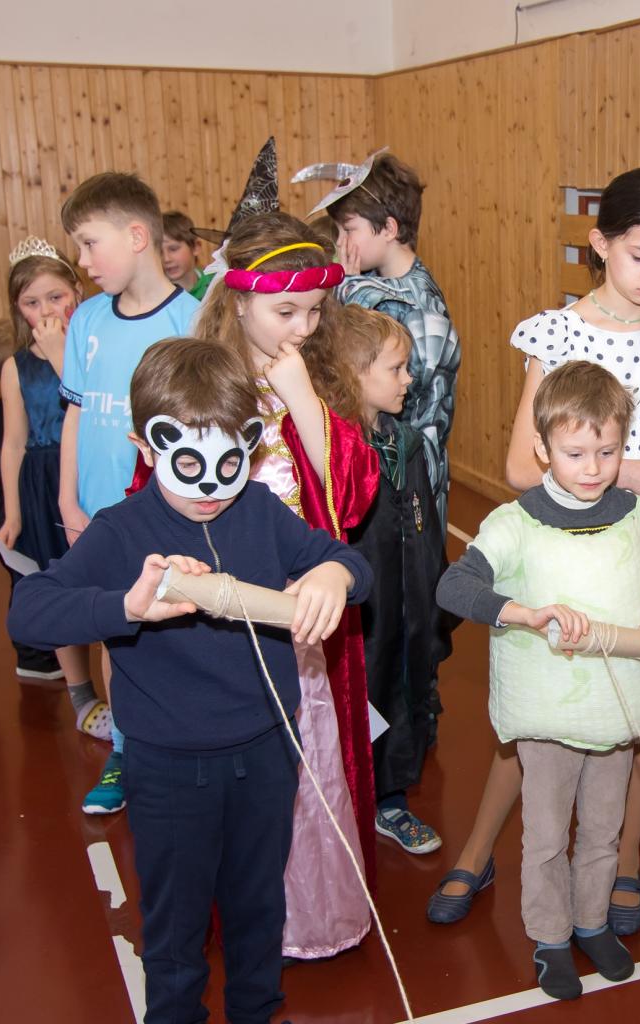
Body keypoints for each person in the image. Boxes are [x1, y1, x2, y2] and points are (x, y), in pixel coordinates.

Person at [428, 167, 640, 933]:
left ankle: (623, 863)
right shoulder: (557, 333)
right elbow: (521, 468)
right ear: (600, 243)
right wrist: (629, 470)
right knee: (543, 717)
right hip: (570, 545)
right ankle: (479, 849)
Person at [7, 337, 372, 1024]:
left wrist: (333, 572)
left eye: (229, 464)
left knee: (258, 905)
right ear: (148, 448)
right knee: (175, 924)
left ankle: (257, 1009)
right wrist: (124, 606)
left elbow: (351, 563)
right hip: (169, 768)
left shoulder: (259, 511)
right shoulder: (121, 532)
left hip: (267, 752)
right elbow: (29, 610)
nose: (209, 488)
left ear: (251, 446)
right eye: (189, 466)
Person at [436, 360, 640, 1000]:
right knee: (547, 836)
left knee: (604, 830)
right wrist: (522, 613)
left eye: (607, 453)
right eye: (575, 453)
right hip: (550, 718)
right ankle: (550, 938)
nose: (592, 468)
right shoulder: (515, 522)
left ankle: (591, 922)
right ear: (542, 448)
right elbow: (454, 585)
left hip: (617, 715)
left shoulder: (639, 516)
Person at [193, 210, 379, 960]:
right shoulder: (200, 381)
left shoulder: (313, 375)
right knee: (239, 763)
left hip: (305, 610)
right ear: (238, 301)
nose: (304, 328)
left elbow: (352, 497)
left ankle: (309, 917)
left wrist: (302, 397)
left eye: (315, 311)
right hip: (221, 612)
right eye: (286, 312)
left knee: (309, 766)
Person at [59, 171, 200, 814]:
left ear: (137, 236)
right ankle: (123, 747)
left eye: (90, 244)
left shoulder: (191, 319)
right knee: (115, 633)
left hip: (165, 516)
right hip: (96, 515)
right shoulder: (88, 319)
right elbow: (76, 414)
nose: (83, 261)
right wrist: (68, 501)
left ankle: (176, 745)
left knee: (172, 634)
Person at [338, 306, 453, 853]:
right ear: (353, 372)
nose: (409, 379)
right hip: (363, 612)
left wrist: (436, 601)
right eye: (396, 369)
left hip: (410, 603)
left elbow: (426, 527)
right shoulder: (336, 452)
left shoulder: (404, 442)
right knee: (368, 696)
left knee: (403, 695)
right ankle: (363, 797)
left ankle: (390, 800)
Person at [0, 238, 112, 737]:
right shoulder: (16, 367)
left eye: (55, 297)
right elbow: (12, 444)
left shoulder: (95, 349)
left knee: (104, 583)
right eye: (32, 302)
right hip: (45, 483)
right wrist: (13, 511)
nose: (45, 310)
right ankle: (81, 695)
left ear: (77, 293)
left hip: (92, 473)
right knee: (60, 586)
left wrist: (61, 356)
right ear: (18, 309)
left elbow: (90, 407)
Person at [326, 151, 461, 536]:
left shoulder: (410, 302)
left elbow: (408, 391)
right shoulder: (385, 288)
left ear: (387, 228)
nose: (341, 243)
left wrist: (348, 289)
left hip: (409, 483)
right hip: (394, 474)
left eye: (349, 230)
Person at [0, 320, 64, 681]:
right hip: (21, 510)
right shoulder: (9, 431)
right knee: (29, 581)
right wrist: (15, 514)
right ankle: (36, 656)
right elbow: (11, 451)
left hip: (36, 504)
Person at [161, 211, 213, 299]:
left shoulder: (216, 285)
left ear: (196, 247)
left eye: (173, 249)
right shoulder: (153, 296)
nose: (166, 259)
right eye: (159, 252)